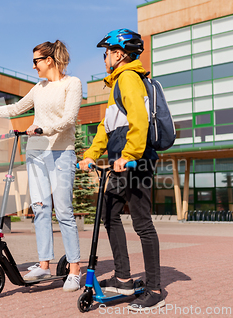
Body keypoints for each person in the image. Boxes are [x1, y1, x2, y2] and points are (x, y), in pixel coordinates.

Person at [0, 40, 83, 292]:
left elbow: (69, 119)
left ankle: (74, 268)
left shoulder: (72, 83)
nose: (33, 66)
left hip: (62, 153)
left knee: (63, 212)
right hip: (37, 153)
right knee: (40, 208)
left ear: (49, 60)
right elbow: (16, 108)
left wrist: (43, 129)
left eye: (36, 61)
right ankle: (44, 264)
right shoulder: (38, 88)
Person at [78, 29, 165, 311]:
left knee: (142, 222)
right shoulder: (116, 83)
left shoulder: (128, 77)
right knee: (109, 213)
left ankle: (154, 289)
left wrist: (129, 155)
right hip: (120, 161)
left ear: (117, 54)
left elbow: (139, 120)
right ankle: (124, 278)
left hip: (135, 160)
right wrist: (90, 154)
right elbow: (107, 127)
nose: (104, 58)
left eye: (106, 53)